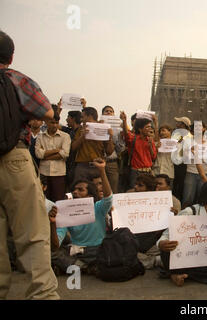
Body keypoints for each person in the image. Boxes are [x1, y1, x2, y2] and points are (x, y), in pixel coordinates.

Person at [0, 30, 59, 299]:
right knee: (32, 234)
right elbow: (47, 112)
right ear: (10, 56)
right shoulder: (15, 79)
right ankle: (42, 295)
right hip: (14, 160)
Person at [157, 180, 207, 286]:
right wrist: (162, 244)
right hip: (183, 259)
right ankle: (176, 273)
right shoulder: (190, 212)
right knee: (167, 252)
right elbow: (166, 235)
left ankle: (176, 274)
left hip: (200, 260)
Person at [51, 158, 113, 275]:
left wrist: (102, 171)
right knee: (50, 252)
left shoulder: (98, 207)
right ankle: (84, 267)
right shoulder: (66, 212)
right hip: (77, 251)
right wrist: (53, 222)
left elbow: (108, 197)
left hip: (97, 250)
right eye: (74, 190)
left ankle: (77, 267)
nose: (75, 192)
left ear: (90, 195)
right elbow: (56, 244)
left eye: (80, 190)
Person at [35, 108, 71, 202]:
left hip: (59, 173)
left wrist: (45, 155)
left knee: (58, 201)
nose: (54, 125)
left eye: (56, 122)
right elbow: (38, 154)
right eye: (52, 122)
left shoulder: (65, 136)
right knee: (43, 200)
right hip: (44, 173)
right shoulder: (40, 136)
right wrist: (56, 150)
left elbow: (65, 153)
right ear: (46, 122)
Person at [71, 107, 115, 180]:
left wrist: (110, 137)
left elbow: (109, 152)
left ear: (90, 116)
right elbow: (73, 148)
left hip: (98, 167)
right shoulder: (81, 129)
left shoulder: (103, 128)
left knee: (98, 190)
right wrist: (82, 137)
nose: (81, 119)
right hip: (82, 167)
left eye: (82, 117)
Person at [120, 111, 158, 189]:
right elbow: (126, 134)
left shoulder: (150, 140)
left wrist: (150, 146)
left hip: (148, 172)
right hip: (136, 172)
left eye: (150, 127)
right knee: (135, 193)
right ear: (140, 129)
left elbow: (153, 157)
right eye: (147, 127)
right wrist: (124, 121)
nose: (150, 129)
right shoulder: (133, 139)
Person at [101, 105, 126, 194]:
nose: (109, 113)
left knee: (113, 189)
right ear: (102, 114)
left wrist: (113, 137)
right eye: (106, 111)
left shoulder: (118, 129)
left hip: (112, 162)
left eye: (111, 111)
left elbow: (121, 148)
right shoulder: (98, 126)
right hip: (99, 162)